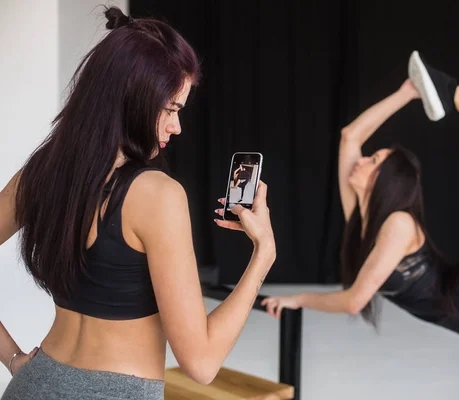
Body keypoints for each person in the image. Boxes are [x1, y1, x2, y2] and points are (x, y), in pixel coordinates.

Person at [0, 7, 275, 400]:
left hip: (32, 386)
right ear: (132, 100)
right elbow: (201, 362)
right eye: (170, 109)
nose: (176, 127)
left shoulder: (42, 173)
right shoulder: (158, 195)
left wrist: (12, 359)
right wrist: (263, 253)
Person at [261, 51, 459, 399]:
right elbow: (349, 136)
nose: (361, 160)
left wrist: (296, 299)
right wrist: (407, 93)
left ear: (385, 182)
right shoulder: (361, 217)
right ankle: (441, 89)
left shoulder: (398, 226)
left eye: (373, 160)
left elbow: (353, 301)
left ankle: (452, 92)